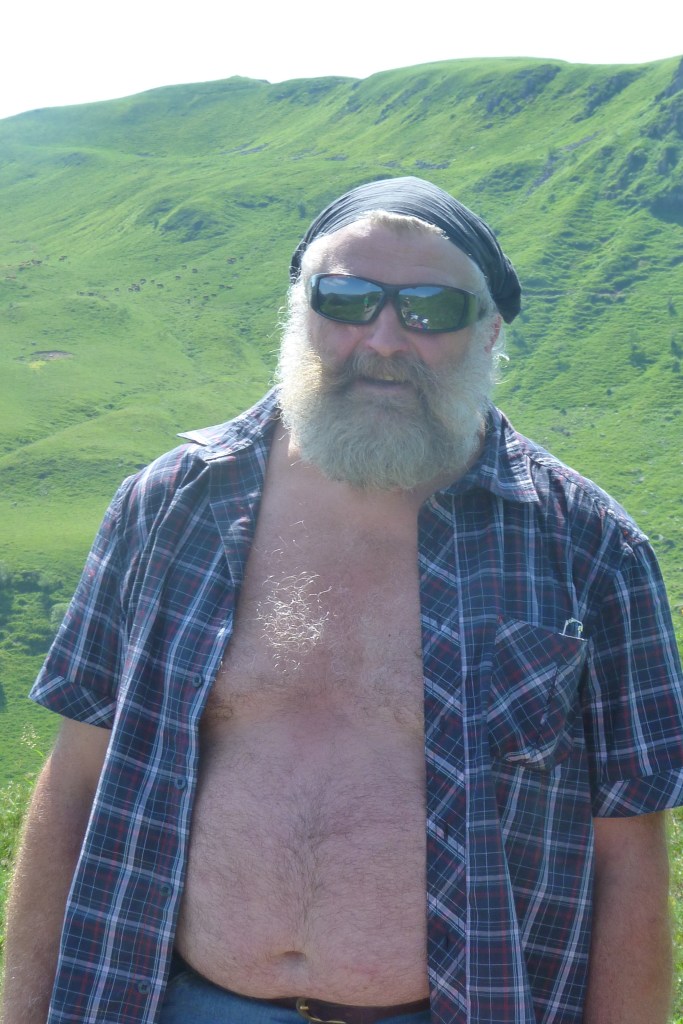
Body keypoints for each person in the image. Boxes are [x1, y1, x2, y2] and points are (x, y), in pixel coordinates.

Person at [3, 176, 683, 1024]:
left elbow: (627, 854)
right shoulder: (169, 506)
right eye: (347, 299)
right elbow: (76, 782)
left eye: (431, 309)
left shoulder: (590, 548)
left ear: (489, 330)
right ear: (301, 313)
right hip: (171, 1001)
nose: (384, 338)